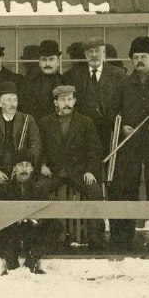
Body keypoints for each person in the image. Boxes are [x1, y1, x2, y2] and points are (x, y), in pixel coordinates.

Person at [110, 37, 149, 252]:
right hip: (131, 146)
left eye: (144, 57)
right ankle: (124, 239)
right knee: (128, 188)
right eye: (135, 58)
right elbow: (113, 112)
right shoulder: (123, 83)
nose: (139, 61)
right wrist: (123, 127)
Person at [37, 85, 106, 250]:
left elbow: (94, 149)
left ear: (74, 101)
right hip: (54, 172)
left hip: (79, 172)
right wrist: (42, 164)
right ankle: (46, 235)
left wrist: (90, 170)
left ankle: (94, 236)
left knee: (95, 192)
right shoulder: (45, 122)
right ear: (55, 102)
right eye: (62, 100)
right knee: (37, 188)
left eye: (69, 99)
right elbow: (39, 147)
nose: (66, 103)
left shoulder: (85, 122)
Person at [0, 149, 64, 275]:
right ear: (14, 168)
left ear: (31, 168)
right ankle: (11, 260)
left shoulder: (39, 189)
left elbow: (46, 215)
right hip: (12, 232)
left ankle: (32, 259)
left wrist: (37, 220)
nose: (24, 169)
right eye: (20, 165)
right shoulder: (5, 189)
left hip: (31, 232)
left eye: (27, 165)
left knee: (56, 225)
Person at [63, 35, 126, 159]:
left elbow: (125, 102)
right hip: (84, 130)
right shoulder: (73, 75)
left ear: (103, 52)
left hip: (110, 130)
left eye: (97, 51)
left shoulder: (118, 74)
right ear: (85, 54)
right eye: (90, 51)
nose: (93, 55)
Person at [0, 81, 41, 200]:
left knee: (26, 194)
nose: (13, 104)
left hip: (22, 169)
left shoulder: (27, 120)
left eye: (15, 100)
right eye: (9, 100)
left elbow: (36, 146)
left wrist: (24, 167)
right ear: (0, 103)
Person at [20, 40, 65, 121]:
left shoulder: (66, 82)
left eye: (51, 59)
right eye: (44, 59)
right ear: (39, 62)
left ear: (58, 62)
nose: (47, 64)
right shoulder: (28, 82)